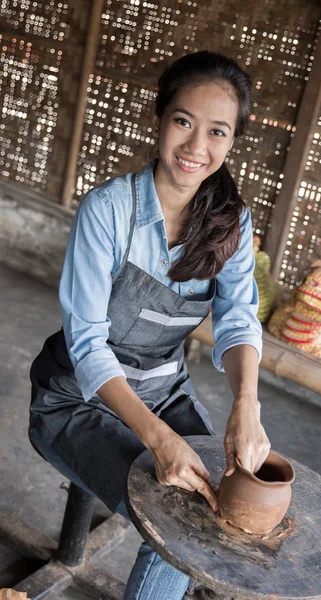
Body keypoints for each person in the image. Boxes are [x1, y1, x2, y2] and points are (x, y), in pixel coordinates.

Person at [29, 51, 270, 600]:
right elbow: (87, 344)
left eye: (217, 132)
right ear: (160, 118)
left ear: (232, 142)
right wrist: (157, 438)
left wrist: (246, 404)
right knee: (179, 526)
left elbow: (236, 319)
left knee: (226, 507)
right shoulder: (108, 211)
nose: (195, 147)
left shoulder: (231, 223)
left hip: (164, 391)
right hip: (74, 401)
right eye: (184, 121)